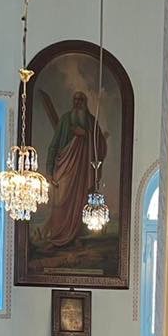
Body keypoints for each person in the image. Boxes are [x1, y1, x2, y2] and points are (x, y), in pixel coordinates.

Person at [34, 91, 108, 250]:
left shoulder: (91, 121)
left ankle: (75, 236)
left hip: (82, 171)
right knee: (60, 201)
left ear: (85, 102)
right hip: (64, 166)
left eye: (81, 100)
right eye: (75, 99)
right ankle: (57, 237)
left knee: (80, 202)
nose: (77, 102)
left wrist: (86, 134)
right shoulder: (65, 120)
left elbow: (100, 144)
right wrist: (49, 170)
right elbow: (54, 145)